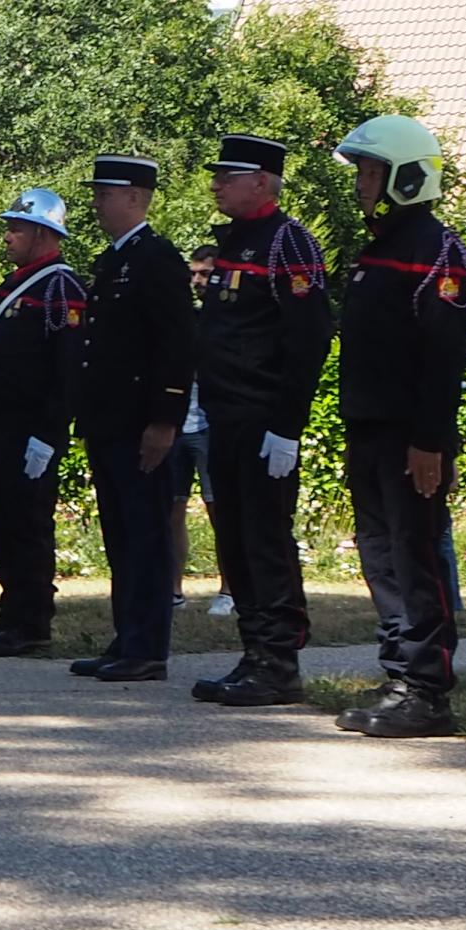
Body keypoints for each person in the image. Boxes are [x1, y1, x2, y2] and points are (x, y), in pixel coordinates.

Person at [329, 118, 466, 738]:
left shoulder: (437, 251)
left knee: (416, 558)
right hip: (368, 429)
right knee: (380, 555)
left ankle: (427, 688)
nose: (362, 185)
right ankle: (398, 673)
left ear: (405, 178)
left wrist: (429, 441)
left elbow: (445, 357)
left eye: (371, 173)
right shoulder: (375, 248)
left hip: (410, 437)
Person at [190, 135, 335, 707]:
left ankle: (279, 660)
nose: (217, 183)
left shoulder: (286, 243)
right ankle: (255, 652)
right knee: (237, 541)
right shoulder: (234, 242)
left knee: (265, 540)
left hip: (261, 418)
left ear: (262, 182)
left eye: (229, 175)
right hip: (225, 414)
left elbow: (308, 338)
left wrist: (287, 424)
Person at [67, 157, 195, 683]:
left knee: (145, 534)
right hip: (109, 419)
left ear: (137, 198)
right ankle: (127, 636)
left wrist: (164, 420)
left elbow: (175, 345)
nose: (98, 202)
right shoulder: (112, 260)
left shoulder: (157, 259)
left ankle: (148, 645)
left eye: (107, 193)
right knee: (121, 535)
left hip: (142, 422)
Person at [0, 189, 87, 658]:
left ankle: (32, 621)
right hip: (2, 425)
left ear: (42, 233)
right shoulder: (13, 283)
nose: (8, 235)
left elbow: (66, 367)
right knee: (4, 523)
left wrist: (49, 435)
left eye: (17, 227)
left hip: (33, 428)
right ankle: (11, 615)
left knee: (29, 525)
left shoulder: (59, 286)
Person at [170, 246, 225, 614]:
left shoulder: (228, 318)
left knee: (218, 508)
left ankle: (228, 590)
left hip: (211, 425)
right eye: (193, 274)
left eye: (204, 274)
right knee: (171, 508)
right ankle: (173, 590)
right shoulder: (185, 318)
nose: (197, 281)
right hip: (176, 424)